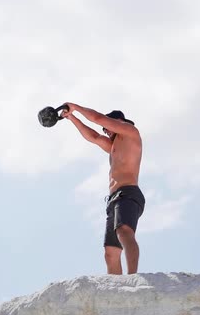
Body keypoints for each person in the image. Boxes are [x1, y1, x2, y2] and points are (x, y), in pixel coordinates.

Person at [61, 102, 145, 275]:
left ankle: (133, 278)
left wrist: (75, 107)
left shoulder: (130, 132)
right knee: (110, 252)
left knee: (124, 231)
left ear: (118, 121)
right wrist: (71, 117)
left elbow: (98, 119)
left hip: (128, 192)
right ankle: (116, 290)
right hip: (114, 199)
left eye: (107, 127)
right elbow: (93, 137)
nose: (104, 131)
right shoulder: (114, 146)